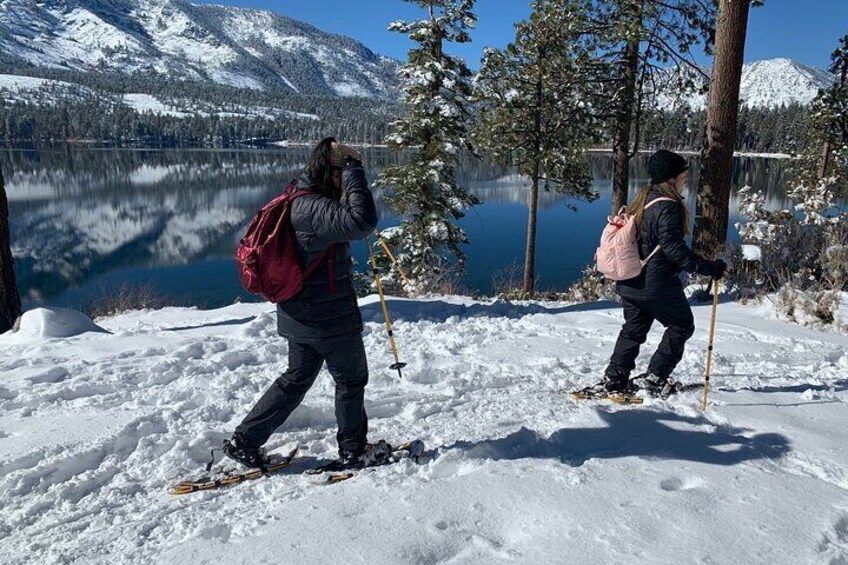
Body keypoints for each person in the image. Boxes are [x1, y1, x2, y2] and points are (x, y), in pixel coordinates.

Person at [224, 137, 379, 470]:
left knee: (295, 379)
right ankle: (353, 451)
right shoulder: (314, 207)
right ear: (334, 172)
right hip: (328, 317)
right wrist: (355, 173)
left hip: (299, 313)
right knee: (351, 382)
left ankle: (244, 441)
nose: (345, 182)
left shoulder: (298, 196)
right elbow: (362, 221)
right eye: (344, 174)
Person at [599, 149, 727, 397]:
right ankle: (655, 377)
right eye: (683, 177)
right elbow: (674, 251)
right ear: (671, 178)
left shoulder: (642, 199)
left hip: (630, 280)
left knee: (633, 330)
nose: (685, 182)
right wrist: (709, 268)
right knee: (681, 325)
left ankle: (614, 378)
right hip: (656, 283)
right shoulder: (668, 206)